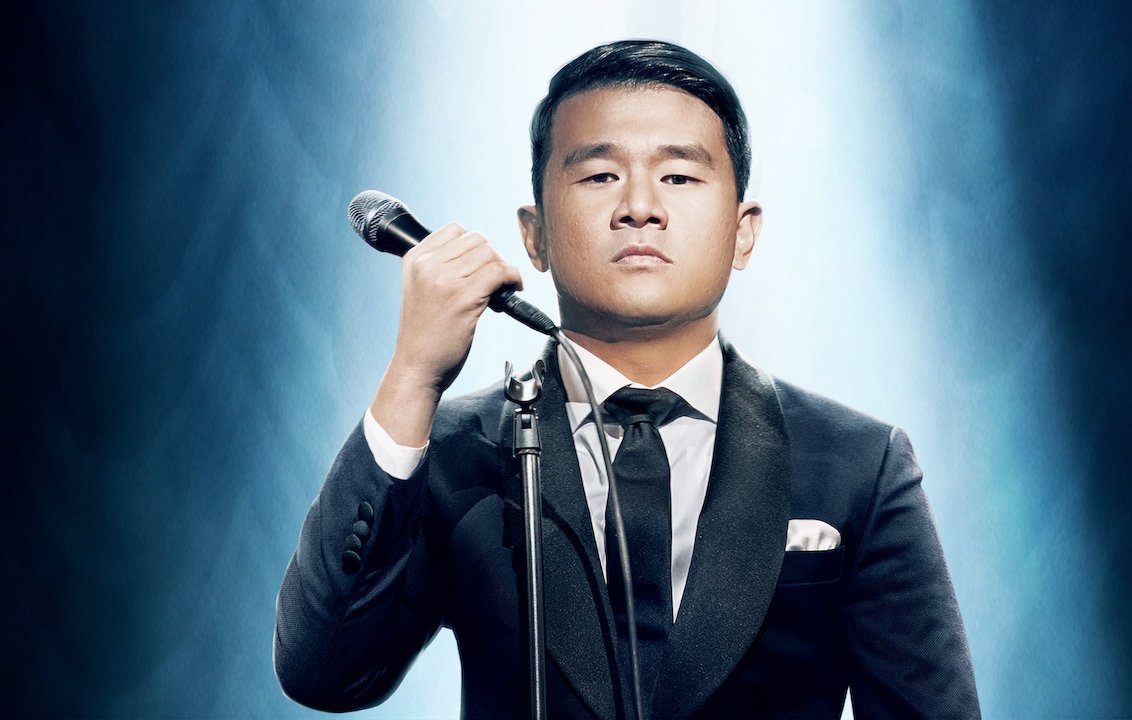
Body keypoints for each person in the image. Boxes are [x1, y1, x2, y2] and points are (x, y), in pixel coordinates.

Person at [274, 39, 980, 719]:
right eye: (599, 176)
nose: (640, 206)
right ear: (534, 234)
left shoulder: (859, 463)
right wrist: (412, 377)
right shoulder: (460, 450)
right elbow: (324, 672)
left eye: (679, 176)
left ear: (743, 231)